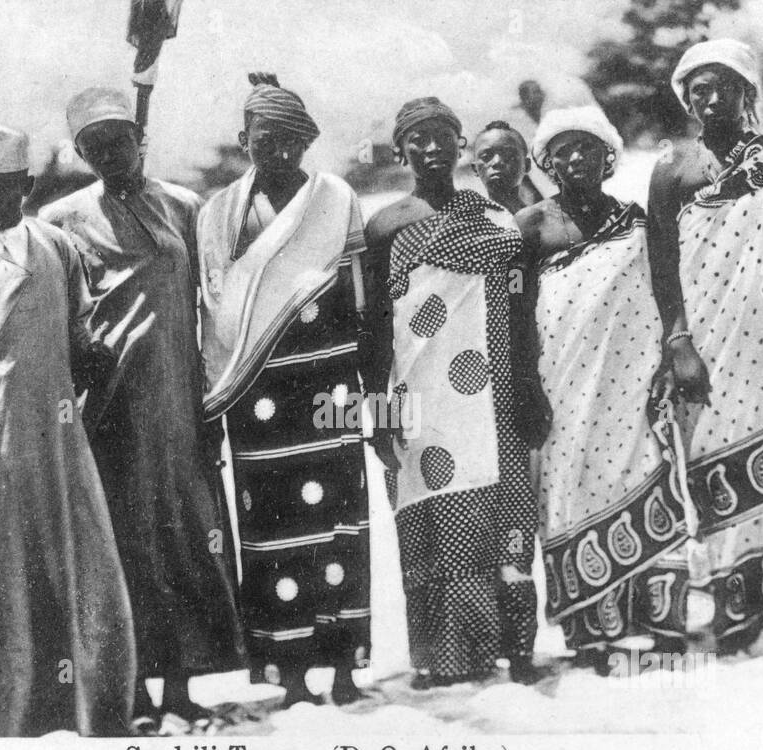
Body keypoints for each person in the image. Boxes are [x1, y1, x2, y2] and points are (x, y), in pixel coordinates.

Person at [0, 126, 134, 737]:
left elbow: (80, 334)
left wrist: (98, 357)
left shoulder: (57, 247)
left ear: (26, 186)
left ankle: (81, 707)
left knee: (73, 557)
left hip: (58, 435)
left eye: (3, 189)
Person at [41, 87, 244, 727]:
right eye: (93, 146)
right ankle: (128, 692)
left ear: (140, 141)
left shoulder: (185, 206)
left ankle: (182, 687)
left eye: (118, 141)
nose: (109, 154)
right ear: (81, 153)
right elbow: (56, 313)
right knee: (121, 545)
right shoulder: (61, 220)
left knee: (183, 538)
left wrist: (214, 397)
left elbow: (213, 306)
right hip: (106, 409)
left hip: (177, 401)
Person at [647, 40, 763, 653]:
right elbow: (661, 264)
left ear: (744, 91)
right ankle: (738, 608)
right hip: (702, 341)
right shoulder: (672, 169)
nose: (708, 97)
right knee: (713, 464)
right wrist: (678, 341)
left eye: (720, 85)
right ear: (686, 99)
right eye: (696, 89)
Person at [196, 74, 371, 706]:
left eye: (291, 140)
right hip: (256, 397)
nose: (277, 150)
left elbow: (358, 295)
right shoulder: (217, 212)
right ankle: (290, 674)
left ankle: (345, 669)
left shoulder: (336, 196)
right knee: (271, 529)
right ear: (244, 140)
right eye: (265, 139)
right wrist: (214, 398)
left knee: (338, 524)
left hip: (327, 386)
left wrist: (369, 386)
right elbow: (212, 307)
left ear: (307, 141)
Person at [362, 97, 546, 687]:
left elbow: (520, 314)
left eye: (443, 136)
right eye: (418, 139)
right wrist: (379, 412)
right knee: (430, 519)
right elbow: (373, 328)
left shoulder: (493, 219)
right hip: (420, 401)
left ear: (459, 144)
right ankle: (443, 658)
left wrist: (529, 387)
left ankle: (515, 651)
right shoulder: (385, 224)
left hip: (492, 400)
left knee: (506, 513)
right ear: (401, 151)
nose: (432, 148)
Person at [517, 108, 693, 667]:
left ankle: (662, 623)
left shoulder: (636, 220)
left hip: (631, 381)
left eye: (587, 149)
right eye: (563, 151)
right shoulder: (531, 227)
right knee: (568, 489)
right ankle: (592, 631)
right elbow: (518, 315)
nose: (575, 160)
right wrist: (526, 385)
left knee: (645, 471)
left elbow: (663, 288)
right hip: (561, 385)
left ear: (606, 157)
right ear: (546, 161)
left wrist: (669, 355)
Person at [469, 120, 538, 214]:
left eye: (509, 155)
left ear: (526, 165)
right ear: (475, 168)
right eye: (486, 156)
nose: (497, 162)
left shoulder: (543, 220)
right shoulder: (470, 223)